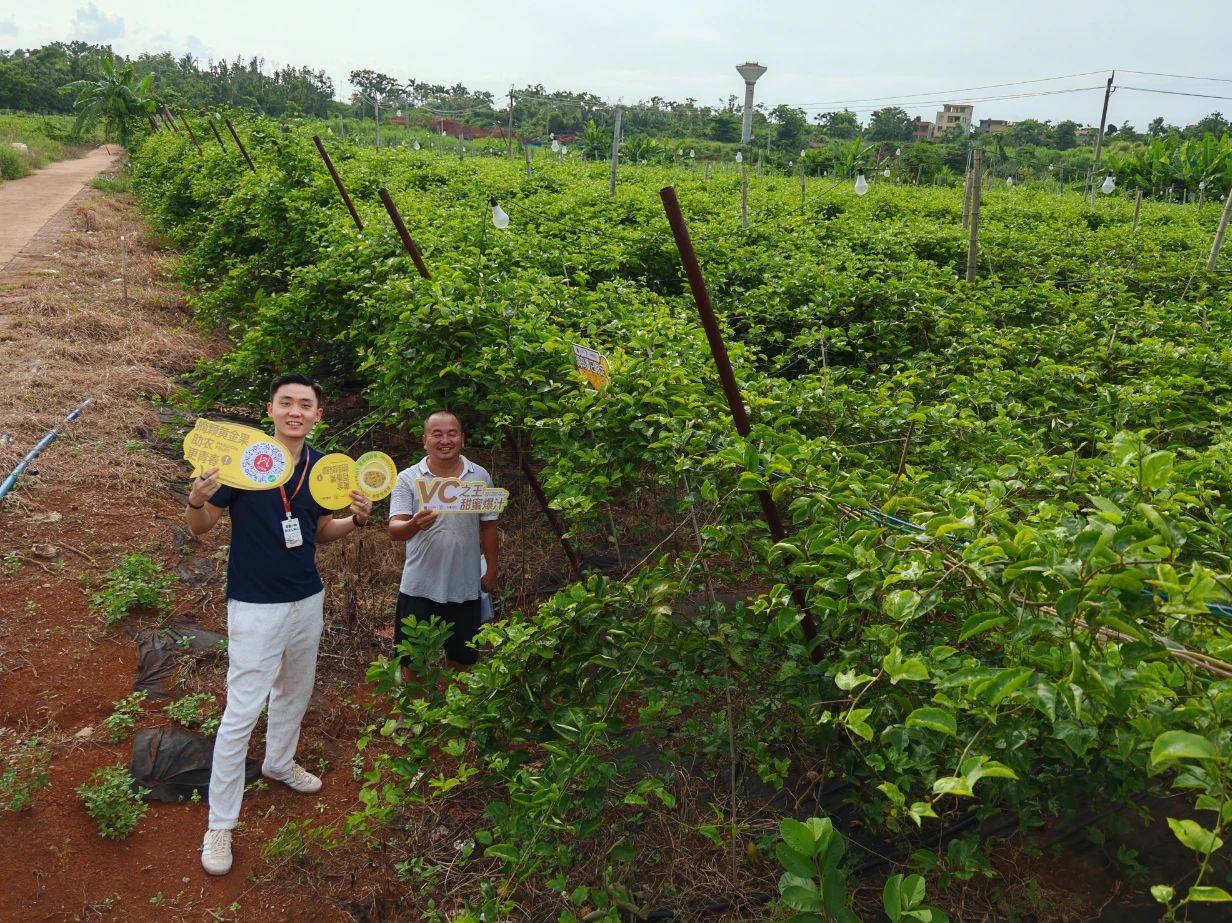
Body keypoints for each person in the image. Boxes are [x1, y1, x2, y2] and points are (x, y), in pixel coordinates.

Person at [184, 374, 373, 876]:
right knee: (242, 710)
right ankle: (220, 823)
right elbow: (200, 528)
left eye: (305, 404)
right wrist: (198, 499)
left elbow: (320, 532)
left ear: (317, 416)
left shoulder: (322, 469)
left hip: (307, 598)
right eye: (286, 402)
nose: (295, 411)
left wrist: (356, 519)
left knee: (295, 689)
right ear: (270, 410)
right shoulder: (242, 462)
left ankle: (278, 761)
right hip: (255, 605)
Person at [387, 411, 500, 670]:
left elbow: (489, 527)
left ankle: (453, 698)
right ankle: (416, 699)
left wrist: (492, 570)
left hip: (466, 587)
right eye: (437, 434)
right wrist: (414, 524)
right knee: (413, 662)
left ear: (463, 438)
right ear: (425, 441)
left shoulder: (479, 476)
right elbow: (394, 530)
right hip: (419, 587)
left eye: (452, 434)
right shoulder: (408, 478)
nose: (445, 440)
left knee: (461, 662)